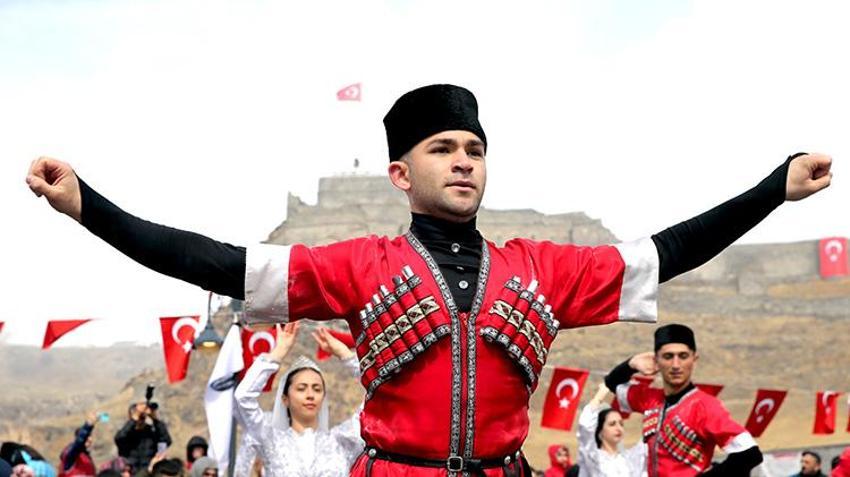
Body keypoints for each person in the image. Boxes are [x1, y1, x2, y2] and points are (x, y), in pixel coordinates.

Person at [26, 84, 833, 476]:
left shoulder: (542, 268)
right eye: (444, 147)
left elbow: (669, 248)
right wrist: (86, 206)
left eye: (475, 149)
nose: (464, 161)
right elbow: (209, 260)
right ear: (398, 173)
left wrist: (775, 187)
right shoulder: (356, 264)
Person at [604, 323, 762, 476]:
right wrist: (631, 364)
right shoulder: (650, 399)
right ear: (656, 360)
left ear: (694, 359)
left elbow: (749, 454)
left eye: (683, 356)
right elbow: (612, 383)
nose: (675, 365)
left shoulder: (705, 405)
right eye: (667, 357)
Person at [234, 323, 364, 477]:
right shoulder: (270, 438)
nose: (310, 395)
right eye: (301, 388)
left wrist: (345, 354)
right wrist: (277, 353)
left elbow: (379, 394)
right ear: (285, 399)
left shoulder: (342, 441)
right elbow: (243, 397)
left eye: (317, 389)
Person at [576, 383, 645, 477]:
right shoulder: (593, 457)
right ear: (600, 431)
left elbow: (648, 444)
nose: (618, 428)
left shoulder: (628, 460)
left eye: (621, 424)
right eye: (612, 424)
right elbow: (585, 427)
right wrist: (599, 397)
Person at [114, 401, 172, 473]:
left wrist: (155, 419)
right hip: (131, 473)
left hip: (149, 472)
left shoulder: (151, 432)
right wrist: (134, 419)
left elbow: (165, 441)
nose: (141, 418)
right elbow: (119, 439)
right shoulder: (126, 433)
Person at [59, 412, 99, 477]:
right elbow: (79, 442)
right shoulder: (71, 454)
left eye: (90, 437)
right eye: (87, 437)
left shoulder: (87, 458)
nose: (90, 440)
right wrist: (88, 425)